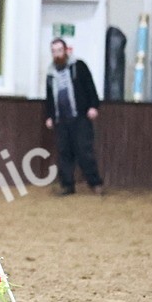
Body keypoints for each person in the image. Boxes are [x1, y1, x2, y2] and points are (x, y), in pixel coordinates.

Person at [43, 37, 104, 195]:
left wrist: (93, 106)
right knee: (64, 153)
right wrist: (50, 116)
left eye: (59, 50)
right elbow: (50, 97)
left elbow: (90, 86)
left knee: (85, 151)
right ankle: (67, 185)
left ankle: (95, 183)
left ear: (65, 50)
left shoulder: (79, 66)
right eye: (54, 51)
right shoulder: (50, 74)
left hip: (80, 117)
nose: (57, 54)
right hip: (61, 120)